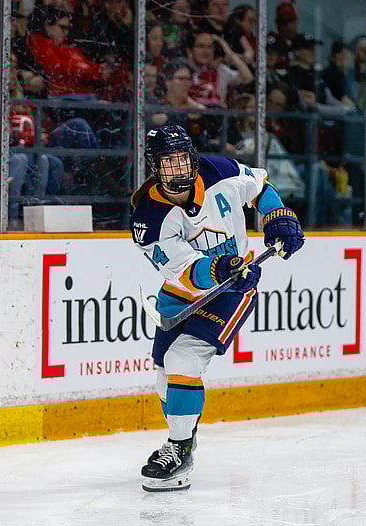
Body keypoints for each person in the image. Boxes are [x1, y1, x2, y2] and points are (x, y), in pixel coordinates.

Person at [130, 125, 305, 492]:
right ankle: (184, 438)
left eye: (182, 158)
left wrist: (277, 215)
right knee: (165, 373)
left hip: (232, 293)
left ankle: (177, 448)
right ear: (155, 166)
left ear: (192, 156)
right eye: (168, 161)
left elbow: (259, 187)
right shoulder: (147, 218)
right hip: (180, 294)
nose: (178, 167)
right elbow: (182, 269)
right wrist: (221, 266)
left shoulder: (219, 171)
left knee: (183, 361)